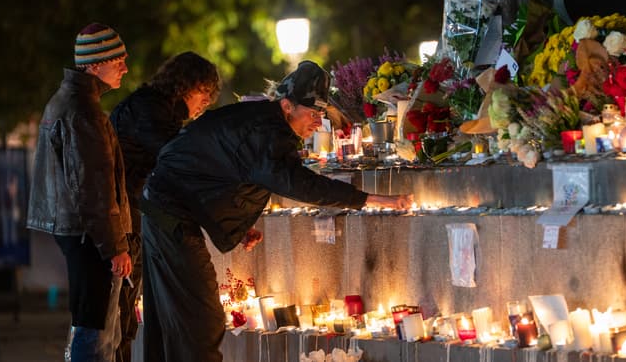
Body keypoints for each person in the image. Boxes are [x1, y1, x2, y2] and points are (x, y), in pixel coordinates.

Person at [140, 60, 412, 361]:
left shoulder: (261, 124)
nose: (317, 120)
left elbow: (216, 173)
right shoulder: (266, 133)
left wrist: (235, 225)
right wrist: (373, 199)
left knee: (167, 320)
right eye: (312, 112)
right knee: (201, 317)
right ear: (287, 106)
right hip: (169, 215)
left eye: (321, 113)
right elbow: (300, 185)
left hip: (163, 207)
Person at [27, 22, 132, 361]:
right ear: (94, 64)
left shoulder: (68, 101)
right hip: (90, 235)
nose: (125, 69)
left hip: (78, 231)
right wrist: (114, 245)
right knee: (96, 328)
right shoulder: (83, 110)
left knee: (88, 322)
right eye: (118, 61)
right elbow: (93, 186)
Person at [108, 51, 220, 362]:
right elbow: (177, 160)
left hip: (131, 213)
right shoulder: (152, 110)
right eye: (206, 93)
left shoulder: (153, 106)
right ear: (190, 84)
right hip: (124, 215)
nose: (206, 103)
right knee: (120, 314)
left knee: (127, 314)